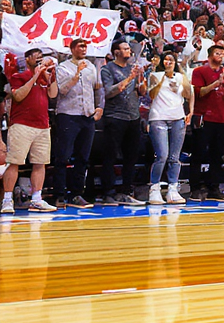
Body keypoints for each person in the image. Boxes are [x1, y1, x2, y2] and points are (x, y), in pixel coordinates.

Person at [2, 49, 58, 214]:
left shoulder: (45, 77)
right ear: (27, 59)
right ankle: (7, 200)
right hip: (21, 124)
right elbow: (18, 96)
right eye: (36, 56)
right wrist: (35, 76)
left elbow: (53, 94)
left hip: (43, 125)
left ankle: (37, 199)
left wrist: (52, 75)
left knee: (40, 163)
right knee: (14, 162)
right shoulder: (18, 77)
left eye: (42, 56)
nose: (40, 58)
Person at [50, 38, 102, 208]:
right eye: (80, 46)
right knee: (63, 156)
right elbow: (62, 91)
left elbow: (97, 88)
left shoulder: (91, 67)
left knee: (83, 157)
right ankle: (59, 194)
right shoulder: (63, 68)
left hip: (87, 116)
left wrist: (99, 107)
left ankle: (76, 194)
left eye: (85, 46)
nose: (84, 49)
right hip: (68, 115)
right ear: (72, 49)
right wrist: (77, 74)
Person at [98, 40, 148, 205]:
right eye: (125, 48)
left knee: (131, 157)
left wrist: (140, 77)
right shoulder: (107, 69)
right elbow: (109, 92)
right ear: (116, 52)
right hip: (115, 117)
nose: (129, 51)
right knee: (110, 156)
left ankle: (127, 191)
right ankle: (108, 193)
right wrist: (130, 78)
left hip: (133, 117)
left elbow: (142, 92)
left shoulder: (132, 68)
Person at [190, 44, 224, 202]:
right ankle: (195, 188)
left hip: (222, 117)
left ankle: (214, 188)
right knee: (198, 153)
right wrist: (216, 83)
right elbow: (199, 92)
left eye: (222, 53)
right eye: (217, 53)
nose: (220, 56)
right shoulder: (199, 71)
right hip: (204, 116)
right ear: (210, 55)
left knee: (218, 155)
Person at [146, 51, 193, 205]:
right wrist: (162, 79)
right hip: (158, 117)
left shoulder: (180, 77)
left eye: (171, 60)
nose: (169, 62)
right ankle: (154, 188)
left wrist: (183, 78)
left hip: (177, 118)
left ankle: (173, 188)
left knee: (175, 157)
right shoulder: (155, 75)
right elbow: (152, 95)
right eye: (166, 60)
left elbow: (188, 94)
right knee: (162, 156)